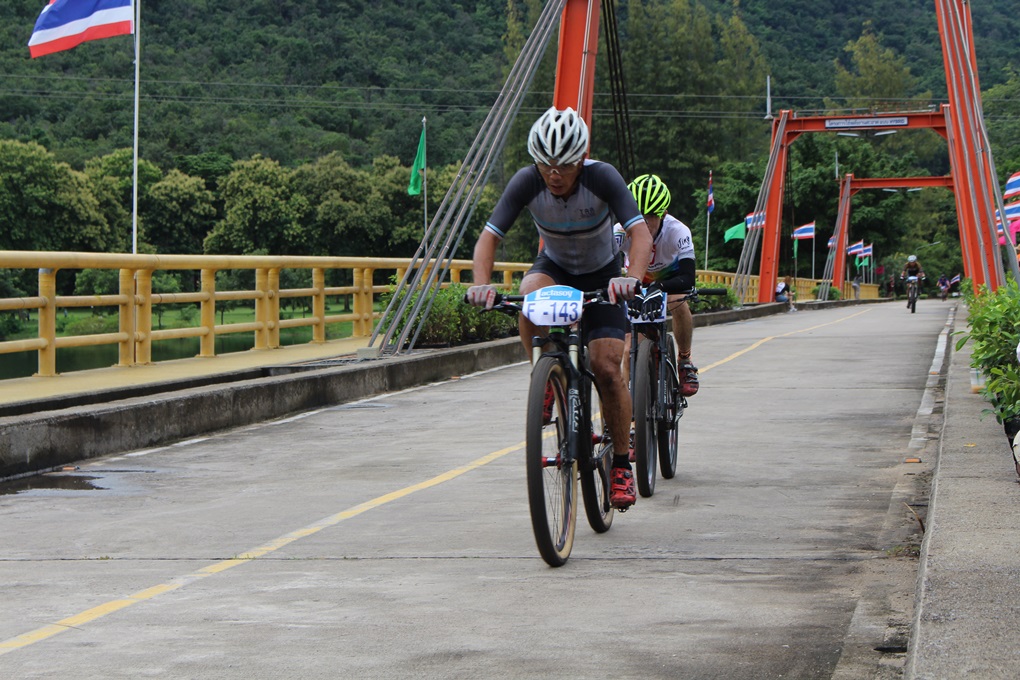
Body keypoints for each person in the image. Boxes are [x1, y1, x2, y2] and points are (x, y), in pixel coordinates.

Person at [465, 106, 652, 510]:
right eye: (545, 164)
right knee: (529, 293)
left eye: (564, 165)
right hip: (556, 268)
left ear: (581, 159)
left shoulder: (602, 177)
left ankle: (621, 464)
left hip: (604, 274)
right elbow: (488, 238)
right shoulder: (527, 181)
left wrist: (632, 277)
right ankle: (546, 376)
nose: (554, 174)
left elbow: (640, 233)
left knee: (607, 368)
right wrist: (481, 284)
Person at [613, 174, 700, 397]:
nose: (643, 222)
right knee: (628, 350)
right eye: (637, 215)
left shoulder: (678, 231)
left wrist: (660, 287)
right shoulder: (620, 232)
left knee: (678, 300)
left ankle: (685, 360)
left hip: (670, 277)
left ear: (663, 213)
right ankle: (632, 410)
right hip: (637, 277)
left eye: (651, 216)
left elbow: (688, 278)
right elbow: (607, 268)